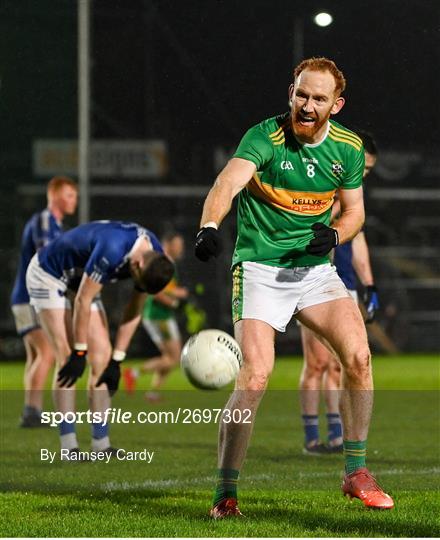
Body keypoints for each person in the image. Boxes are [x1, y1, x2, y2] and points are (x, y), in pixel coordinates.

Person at [195, 57, 394, 515]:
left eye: (318, 98)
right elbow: (228, 182)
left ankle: (356, 472)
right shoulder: (264, 137)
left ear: (336, 105)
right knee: (256, 376)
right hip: (260, 270)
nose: (307, 104)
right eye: (301, 94)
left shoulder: (347, 148)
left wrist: (338, 234)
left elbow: (355, 212)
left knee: (359, 357)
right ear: (291, 92)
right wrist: (209, 225)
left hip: (314, 273)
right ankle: (225, 493)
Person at [26, 220, 174, 459]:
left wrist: (118, 359)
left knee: (103, 360)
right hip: (48, 273)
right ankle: (68, 447)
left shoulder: (153, 257)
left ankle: (101, 445)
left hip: (80, 279)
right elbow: (83, 300)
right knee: (67, 358)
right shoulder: (113, 249)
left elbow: (134, 309)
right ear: (136, 265)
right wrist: (80, 352)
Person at [299, 131, 379, 455]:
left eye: (370, 170)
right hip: (315, 281)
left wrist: (369, 285)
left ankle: (334, 435)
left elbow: (358, 240)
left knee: (340, 364)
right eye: (363, 166)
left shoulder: (353, 197)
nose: (364, 174)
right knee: (316, 364)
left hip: (345, 283)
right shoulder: (327, 187)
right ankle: (311, 437)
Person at [11, 176, 78, 427]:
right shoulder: (44, 220)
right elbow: (46, 260)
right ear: (56, 196)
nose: (74, 200)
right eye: (70, 195)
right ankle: (32, 411)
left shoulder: (56, 225)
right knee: (48, 352)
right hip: (31, 297)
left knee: (36, 355)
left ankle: (31, 411)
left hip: (27, 297)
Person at [123, 231, 189, 401]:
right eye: (178, 244)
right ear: (168, 244)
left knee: (168, 357)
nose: (181, 248)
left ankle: (153, 392)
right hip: (158, 316)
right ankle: (134, 373)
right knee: (174, 358)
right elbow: (156, 290)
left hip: (159, 315)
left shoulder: (166, 262)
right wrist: (176, 298)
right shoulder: (163, 262)